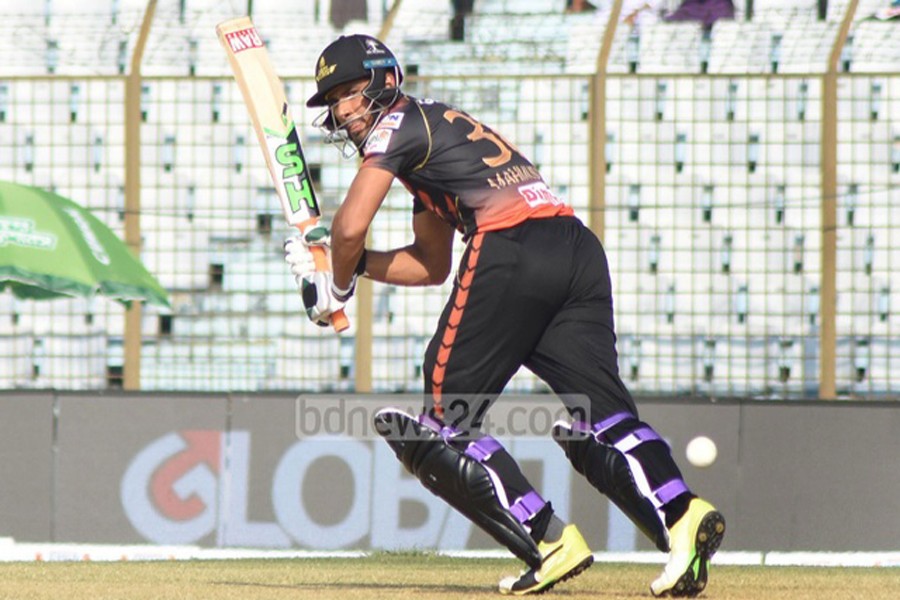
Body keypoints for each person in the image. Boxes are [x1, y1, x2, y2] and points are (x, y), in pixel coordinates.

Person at [284, 34, 725, 597]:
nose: (343, 111)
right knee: (606, 414)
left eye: (348, 92)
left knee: (446, 417)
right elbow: (429, 264)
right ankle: (684, 517)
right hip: (574, 248)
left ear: (383, 81)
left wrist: (335, 283)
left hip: (511, 248)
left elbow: (348, 226)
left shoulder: (396, 126)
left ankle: (547, 539)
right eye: (333, 101)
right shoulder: (432, 136)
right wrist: (347, 264)